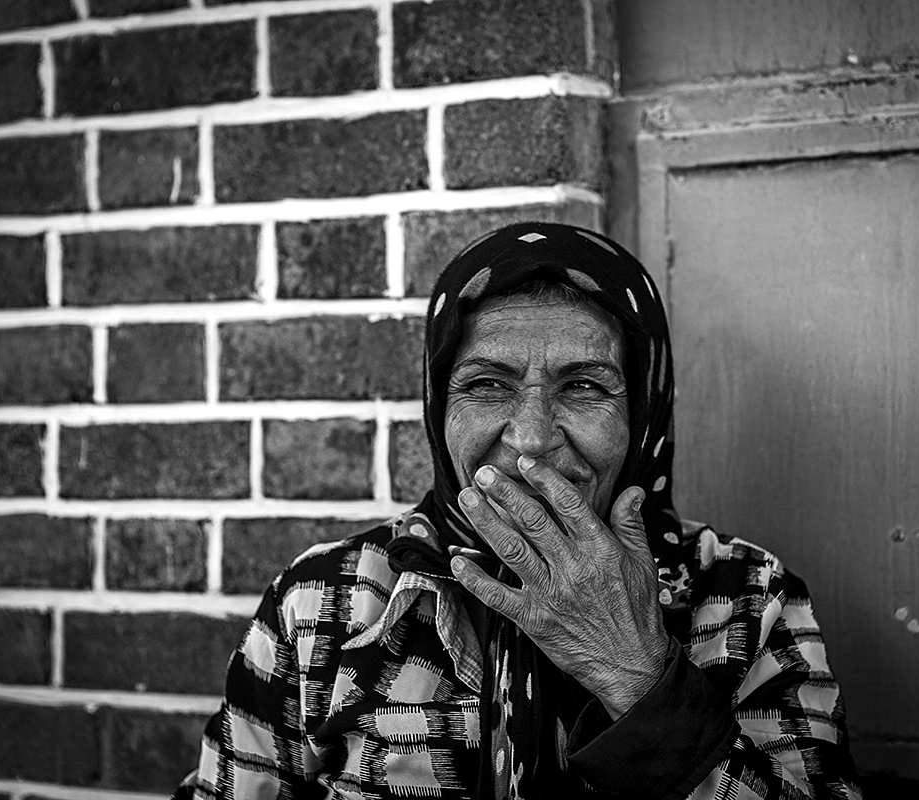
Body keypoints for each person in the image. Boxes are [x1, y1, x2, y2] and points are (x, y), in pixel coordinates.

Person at [174, 222, 862, 799]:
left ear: (643, 415)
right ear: (439, 408)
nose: (531, 437)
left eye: (584, 386)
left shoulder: (746, 598)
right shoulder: (325, 602)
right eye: (487, 385)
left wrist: (635, 673)